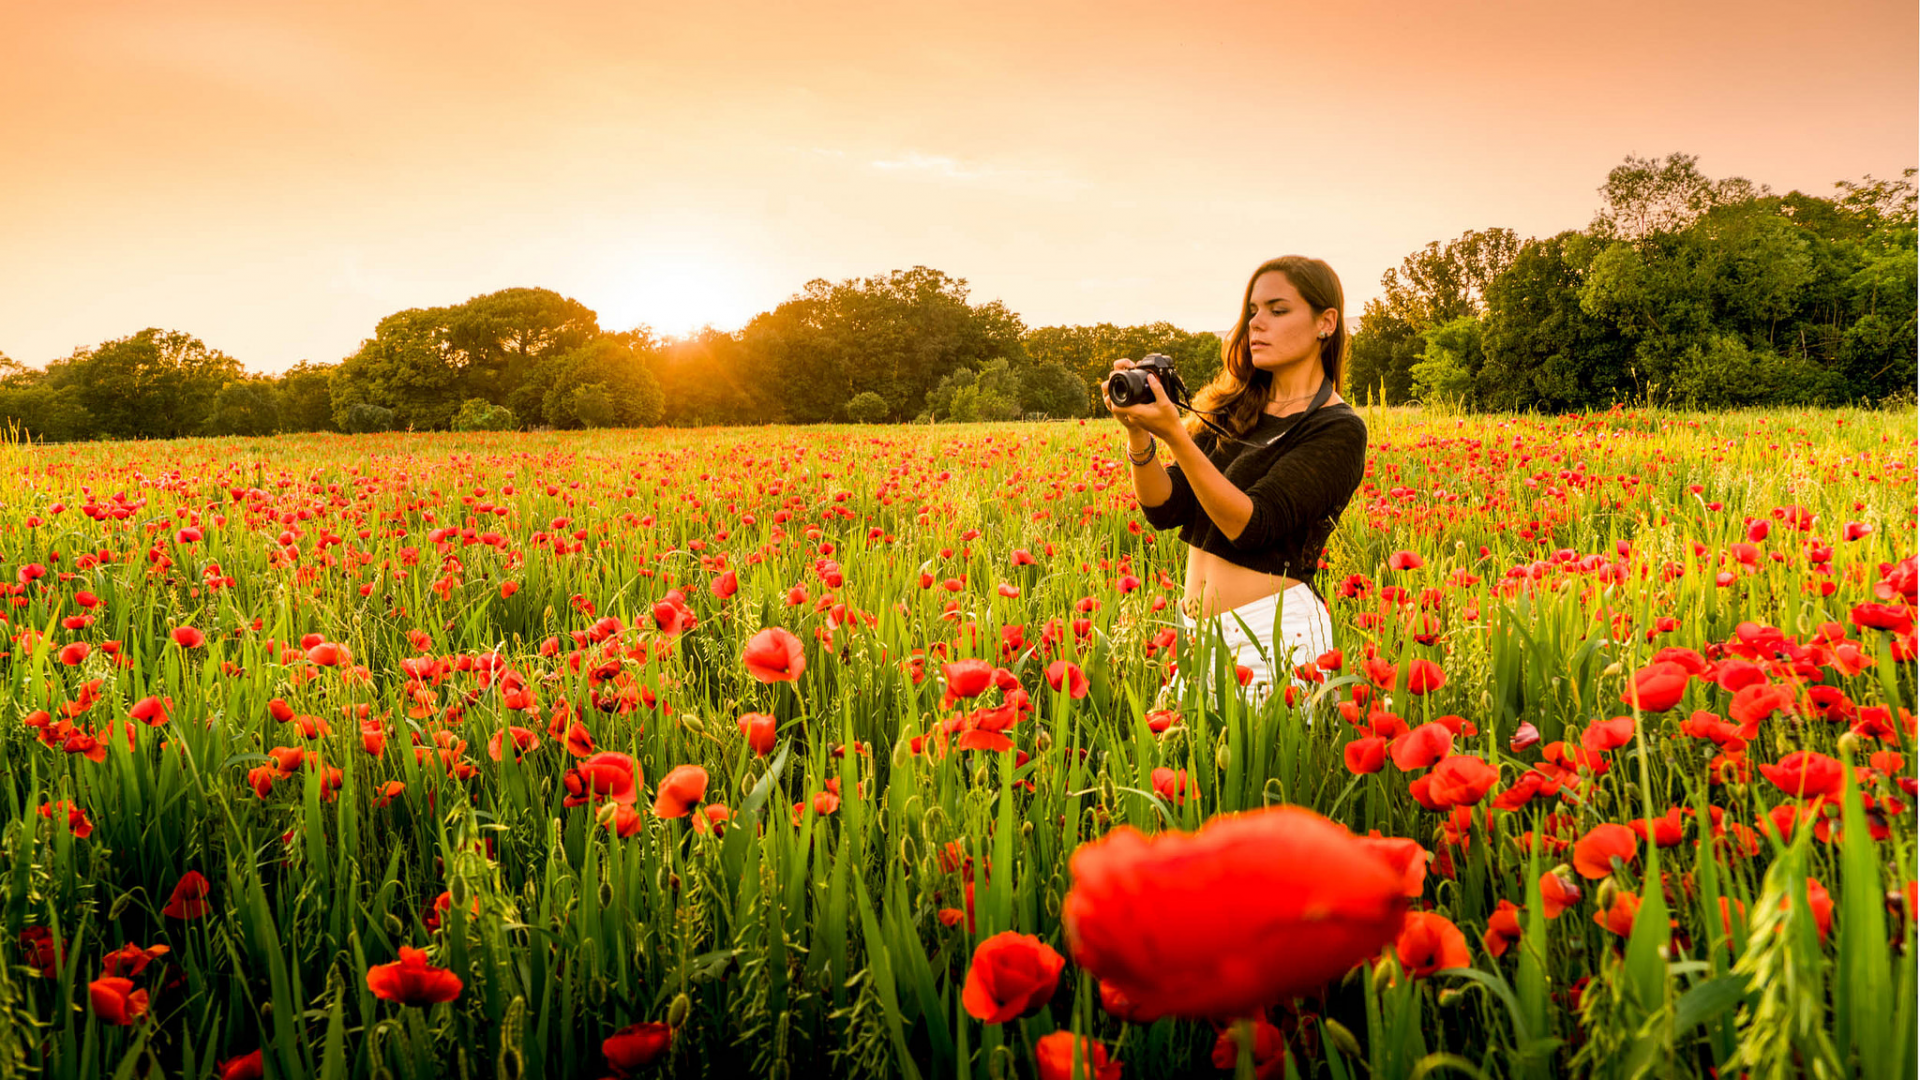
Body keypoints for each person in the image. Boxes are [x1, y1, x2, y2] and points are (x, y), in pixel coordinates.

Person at [1103, 255, 1369, 712]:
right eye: (1252, 311)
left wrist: (1176, 436)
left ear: (1326, 323)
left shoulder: (1337, 429)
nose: (1256, 324)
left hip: (1274, 637)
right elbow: (1165, 508)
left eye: (1277, 310)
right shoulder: (1234, 407)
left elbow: (1251, 525)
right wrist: (1139, 433)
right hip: (1194, 635)